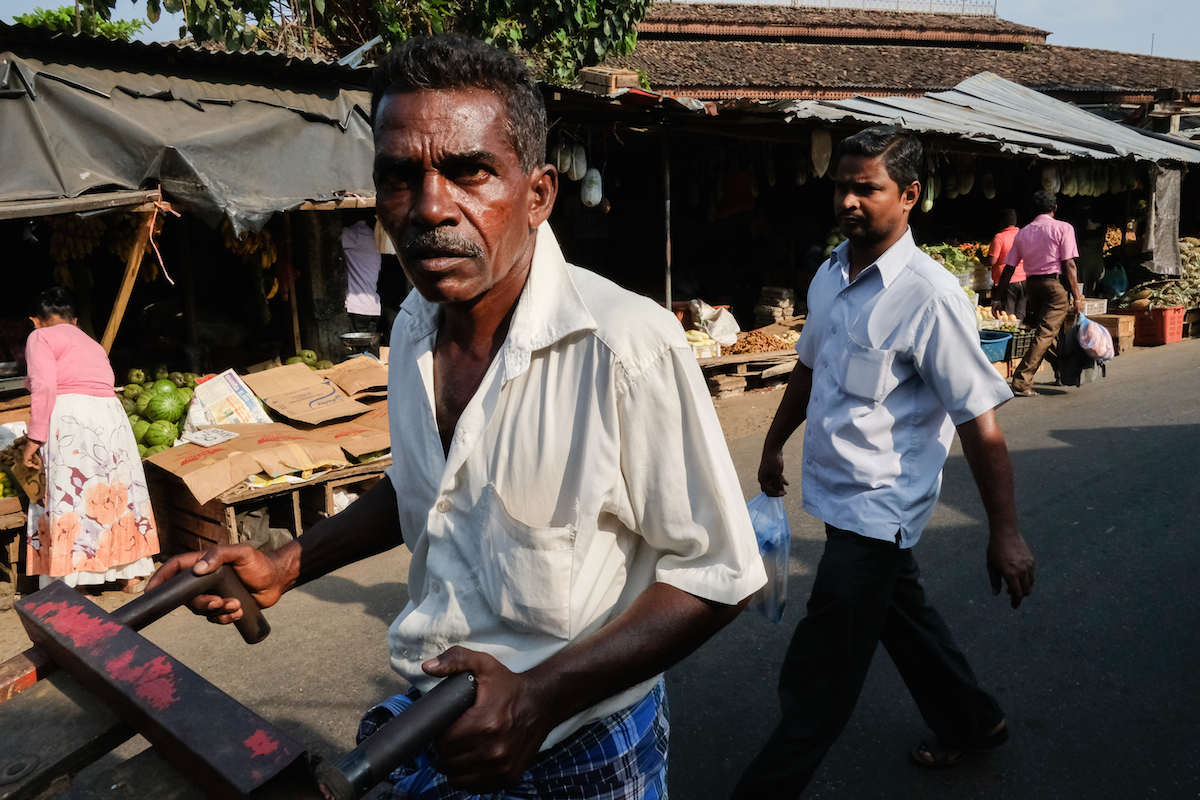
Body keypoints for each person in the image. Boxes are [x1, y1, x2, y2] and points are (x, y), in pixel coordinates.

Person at [148, 33, 766, 799]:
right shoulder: (415, 324)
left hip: (579, 743)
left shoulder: (624, 347)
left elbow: (719, 574)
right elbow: (424, 488)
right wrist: (287, 563)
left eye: (469, 171)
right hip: (438, 719)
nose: (430, 207)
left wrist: (543, 697)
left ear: (538, 195)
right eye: (399, 177)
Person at [730, 127, 1036, 799]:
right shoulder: (830, 274)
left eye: (866, 188)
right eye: (841, 186)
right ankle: (973, 720)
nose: (848, 200)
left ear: (910, 195)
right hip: (836, 495)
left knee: (820, 673)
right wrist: (774, 441)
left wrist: (1006, 532)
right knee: (901, 615)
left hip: (879, 507)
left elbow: (979, 422)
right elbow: (809, 367)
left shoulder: (931, 298)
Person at [23, 287, 159, 593]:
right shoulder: (91, 343)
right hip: (110, 415)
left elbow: (44, 387)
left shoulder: (40, 337)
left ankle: (75, 583)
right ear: (75, 320)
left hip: (71, 415)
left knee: (71, 492)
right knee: (115, 491)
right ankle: (130, 575)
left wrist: (35, 437)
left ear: (35, 320)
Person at [994, 190, 1085, 397]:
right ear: (1054, 208)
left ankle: (1062, 372)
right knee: (1046, 333)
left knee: (1048, 332)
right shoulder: (1063, 228)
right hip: (1054, 286)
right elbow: (1069, 264)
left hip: (1032, 286)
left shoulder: (1023, 233)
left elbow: (1008, 268)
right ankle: (1021, 381)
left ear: (1032, 211)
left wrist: (997, 298)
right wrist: (1077, 296)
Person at [342, 211, 384, 333]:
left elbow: (331, 236)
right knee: (371, 344)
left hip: (357, 306)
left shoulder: (355, 235)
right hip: (374, 308)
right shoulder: (371, 235)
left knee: (358, 344)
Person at [984, 208, 1026, 323]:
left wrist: (981, 258)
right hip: (1023, 280)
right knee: (1019, 315)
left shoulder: (1000, 237)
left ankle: (1009, 333)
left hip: (1006, 282)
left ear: (1001, 223)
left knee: (1006, 317)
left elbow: (991, 261)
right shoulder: (1023, 235)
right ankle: (1017, 332)